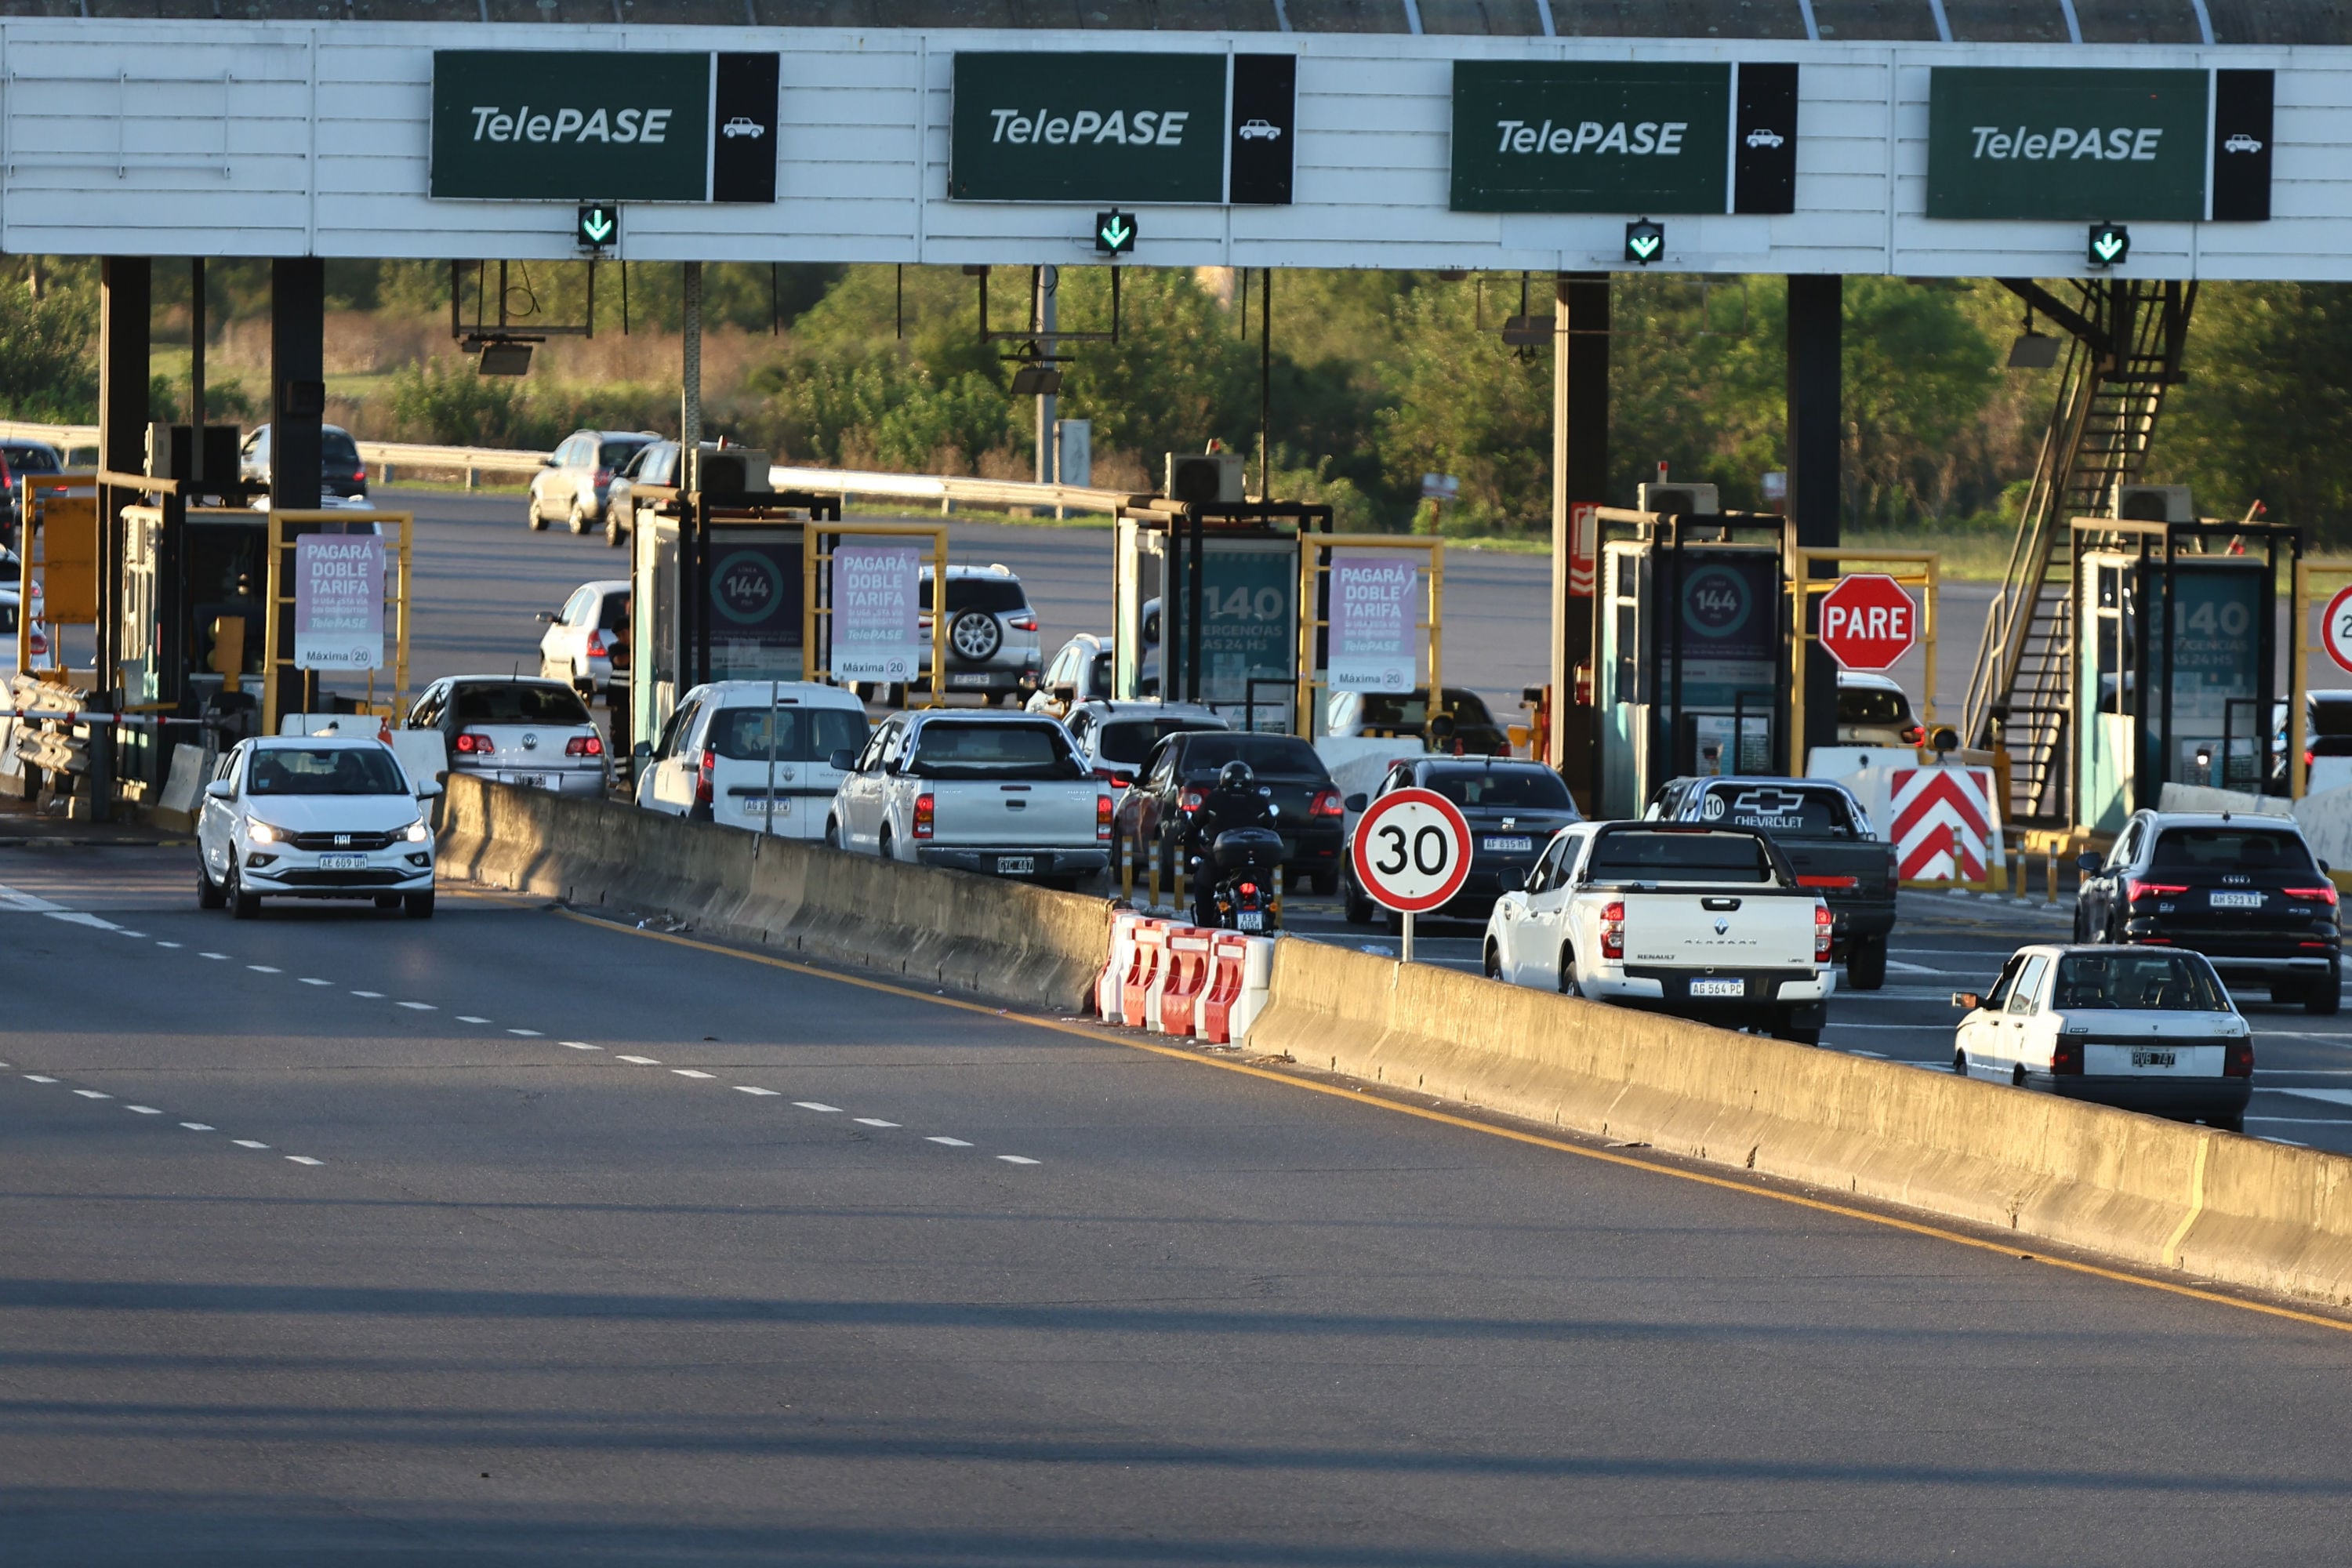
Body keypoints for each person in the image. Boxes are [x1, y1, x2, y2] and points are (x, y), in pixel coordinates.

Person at [1184, 759, 1279, 925]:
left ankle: (1205, 926)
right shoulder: (1259, 799)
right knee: (1266, 887)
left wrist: (1187, 838)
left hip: (1223, 859)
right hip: (1255, 857)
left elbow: (1194, 824)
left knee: (1202, 884)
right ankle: (1269, 917)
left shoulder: (1214, 798)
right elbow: (1271, 825)